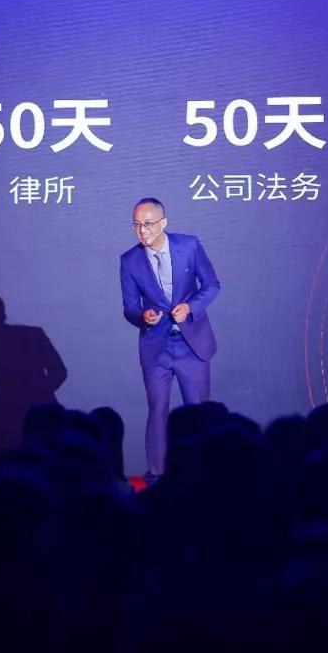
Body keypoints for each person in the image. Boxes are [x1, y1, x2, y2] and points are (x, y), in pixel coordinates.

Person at [120, 198, 220, 480]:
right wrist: (143, 316)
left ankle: (202, 474)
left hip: (192, 345)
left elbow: (212, 285)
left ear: (163, 223)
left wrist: (191, 307)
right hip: (156, 348)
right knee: (157, 410)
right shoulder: (129, 260)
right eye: (137, 225)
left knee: (198, 413)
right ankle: (156, 477)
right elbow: (130, 308)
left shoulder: (189, 246)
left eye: (148, 224)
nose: (142, 231)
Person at [0, 294, 68, 460]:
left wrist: (0, 415)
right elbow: (58, 372)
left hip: (14, 428)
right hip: (39, 421)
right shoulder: (33, 335)